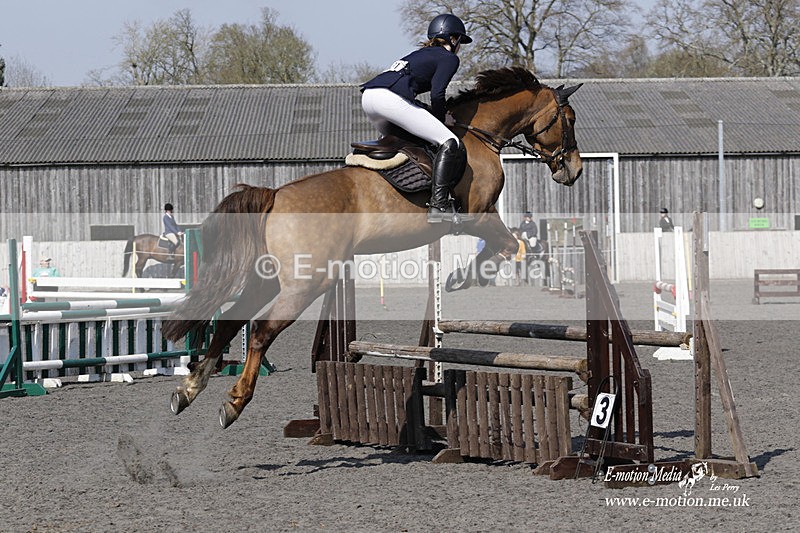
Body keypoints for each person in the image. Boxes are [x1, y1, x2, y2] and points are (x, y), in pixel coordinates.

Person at [360, 13, 472, 223]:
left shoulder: (420, 54)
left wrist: (427, 111)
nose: (460, 47)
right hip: (389, 99)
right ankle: (439, 205)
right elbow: (438, 93)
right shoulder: (448, 58)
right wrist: (442, 119)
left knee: (410, 143)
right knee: (450, 142)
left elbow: (411, 98)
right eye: (460, 41)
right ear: (453, 39)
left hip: (369, 98)